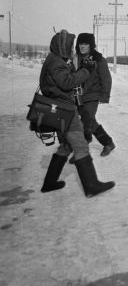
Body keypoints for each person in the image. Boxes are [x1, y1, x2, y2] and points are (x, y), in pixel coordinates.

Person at [39, 29, 115, 197]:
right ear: (62, 46)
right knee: (79, 144)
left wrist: (104, 95)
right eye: (72, 44)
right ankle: (91, 186)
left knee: (69, 143)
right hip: (65, 108)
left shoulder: (56, 60)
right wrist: (85, 70)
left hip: (70, 104)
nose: (74, 47)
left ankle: (50, 182)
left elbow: (105, 77)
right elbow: (67, 82)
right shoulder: (59, 62)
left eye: (83, 44)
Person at [74, 33, 115, 157]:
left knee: (85, 122)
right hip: (78, 96)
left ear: (91, 45)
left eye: (86, 44)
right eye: (81, 43)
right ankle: (108, 143)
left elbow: (106, 78)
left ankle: (80, 153)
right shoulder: (76, 58)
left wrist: (104, 96)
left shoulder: (98, 59)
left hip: (92, 95)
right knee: (90, 122)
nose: (83, 46)